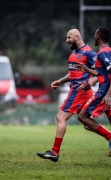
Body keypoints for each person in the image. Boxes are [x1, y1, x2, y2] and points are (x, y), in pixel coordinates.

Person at [36, 29, 97, 162]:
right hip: (81, 91)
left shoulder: (89, 52)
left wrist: (89, 83)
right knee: (87, 123)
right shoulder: (74, 53)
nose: (67, 40)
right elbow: (72, 74)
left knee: (60, 117)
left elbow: (101, 71)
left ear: (77, 37)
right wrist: (60, 81)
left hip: (78, 91)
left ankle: (55, 152)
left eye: (69, 37)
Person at [77, 27, 111, 156]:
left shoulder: (104, 52)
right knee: (88, 122)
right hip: (105, 92)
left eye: (95, 34)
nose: (94, 36)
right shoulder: (103, 52)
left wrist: (108, 95)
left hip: (104, 93)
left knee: (83, 117)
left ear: (99, 36)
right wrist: (86, 70)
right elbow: (101, 73)